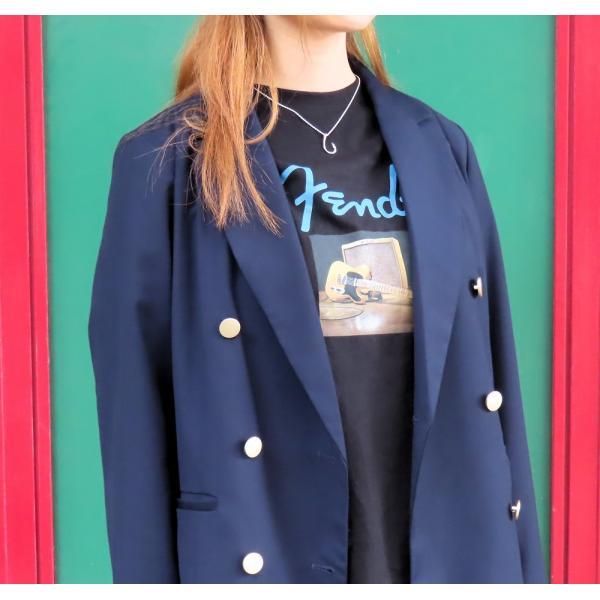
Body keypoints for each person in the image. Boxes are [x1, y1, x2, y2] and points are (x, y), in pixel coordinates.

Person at [88, 15, 546, 584]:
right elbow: (134, 423)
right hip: (264, 555)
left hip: (451, 562)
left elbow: (495, 383)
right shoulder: (170, 159)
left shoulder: (442, 146)